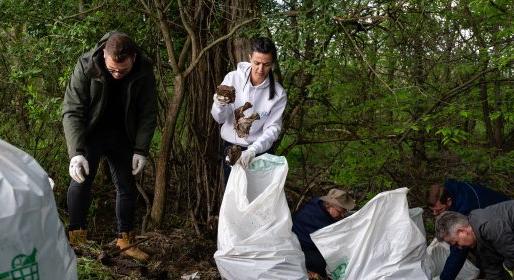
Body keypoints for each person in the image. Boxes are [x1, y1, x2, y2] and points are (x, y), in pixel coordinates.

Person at [62, 31, 157, 262]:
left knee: (127, 186)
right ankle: (77, 242)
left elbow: (148, 112)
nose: (116, 75)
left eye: (122, 71)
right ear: (104, 54)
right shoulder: (86, 65)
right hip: (91, 133)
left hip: (123, 134)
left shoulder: (144, 69)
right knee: (80, 182)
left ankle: (125, 241)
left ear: (133, 58)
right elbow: (72, 110)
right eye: (112, 69)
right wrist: (76, 153)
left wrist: (141, 149)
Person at [210, 37, 287, 184]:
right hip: (231, 149)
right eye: (256, 63)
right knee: (233, 195)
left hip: (259, 151)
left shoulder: (278, 93)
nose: (260, 69)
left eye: (266, 64)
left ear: (273, 64)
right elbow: (219, 119)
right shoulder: (232, 78)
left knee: (256, 198)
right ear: (250, 57)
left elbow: (273, 128)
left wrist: (253, 150)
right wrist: (219, 104)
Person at [427, 179, 510, 280]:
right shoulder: (448, 191)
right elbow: (492, 267)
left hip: (503, 217)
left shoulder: (469, 211)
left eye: (439, 210)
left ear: (449, 201)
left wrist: (445, 278)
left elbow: (458, 253)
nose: (435, 214)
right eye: (433, 211)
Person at [435, 201, 514, 280]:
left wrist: (507, 266)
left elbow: (512, 253)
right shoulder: (477, 238)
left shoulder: (489, 226)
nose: (459, 247)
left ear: (462, 232)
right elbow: (492, 269)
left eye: (456, 243)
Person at [292, 189, 356, 278]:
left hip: (304, 242)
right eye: (340, 211)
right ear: (329, 205)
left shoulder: (318, 203)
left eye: (344, 211)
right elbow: (332, 241)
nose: (342, 215)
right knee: (325, 263)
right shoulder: (318, 217)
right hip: (299, 248)